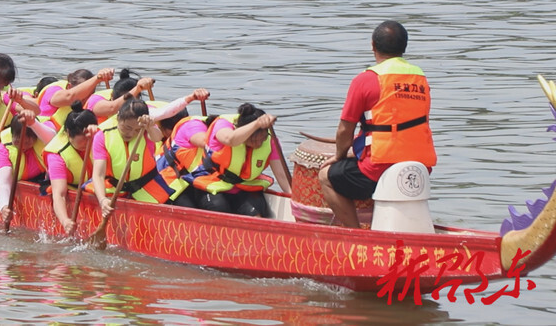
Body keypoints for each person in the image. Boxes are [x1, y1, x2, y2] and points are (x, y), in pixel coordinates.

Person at [318, 20, 437, 228]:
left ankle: (356, 235)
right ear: (404, 46)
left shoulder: (366, 79)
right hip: (421, 166)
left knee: (326, 176)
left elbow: (345, 130)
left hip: (379, 167)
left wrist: (339, 156)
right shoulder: (420, 78)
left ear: (372, 45)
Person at [187, 103, 292, 217]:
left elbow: (282, 176)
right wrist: (257, 124)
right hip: (212, 184)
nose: (258, 144)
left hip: (244, 187)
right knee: (220, 209)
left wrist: (294, 199)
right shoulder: (223, 126)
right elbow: (230, 139)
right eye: (254, 140)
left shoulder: (271, 141)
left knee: (256, 214)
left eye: (262, 139)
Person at [90, 95, 178, 218]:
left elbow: (157, 137)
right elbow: (98, 174)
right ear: (118, 118)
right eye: (127, 128)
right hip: (114, 187)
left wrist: (150, 126)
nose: (131, 133)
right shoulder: (102, 135)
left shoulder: (146, 128)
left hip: (146, 186)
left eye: (136, 130)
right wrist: (102, 200)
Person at [43, 102, 99, 234]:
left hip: (96, 186)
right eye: (82, 141)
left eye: (89, 140)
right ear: (68, 133)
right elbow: (59, 194)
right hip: (70, 188)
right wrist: (65, 220)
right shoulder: (56, 155)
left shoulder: (100, 136)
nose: (87, 144)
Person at [0, 112, 56, 223]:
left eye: (27, 142)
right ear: (11, 136)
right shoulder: (4, 149)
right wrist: (4, 206)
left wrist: (32, 123)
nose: (22, 146)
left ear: (35, 138)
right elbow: (3, 182)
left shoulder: (44, 132)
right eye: (17, 141)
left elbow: (53, 139)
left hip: (47, 180)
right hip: (22, 180)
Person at [37, 67, 114, 130]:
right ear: (69, 87)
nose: (85, 99)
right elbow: (69, 97)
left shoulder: (91, 103)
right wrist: (98, 78)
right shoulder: (53, 91)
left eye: (89, 95)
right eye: (82, 94)